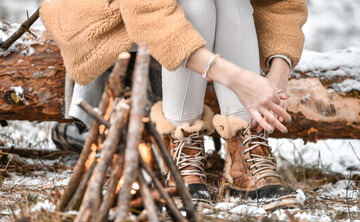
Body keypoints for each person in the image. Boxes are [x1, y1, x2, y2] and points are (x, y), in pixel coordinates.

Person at [41, 0, 307, 209]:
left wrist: (280, 68)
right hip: (116, 11)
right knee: (196, 4)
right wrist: (236, 78)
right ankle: (182, 145)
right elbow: (148, 11)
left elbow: (281, 4)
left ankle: (245, 151)